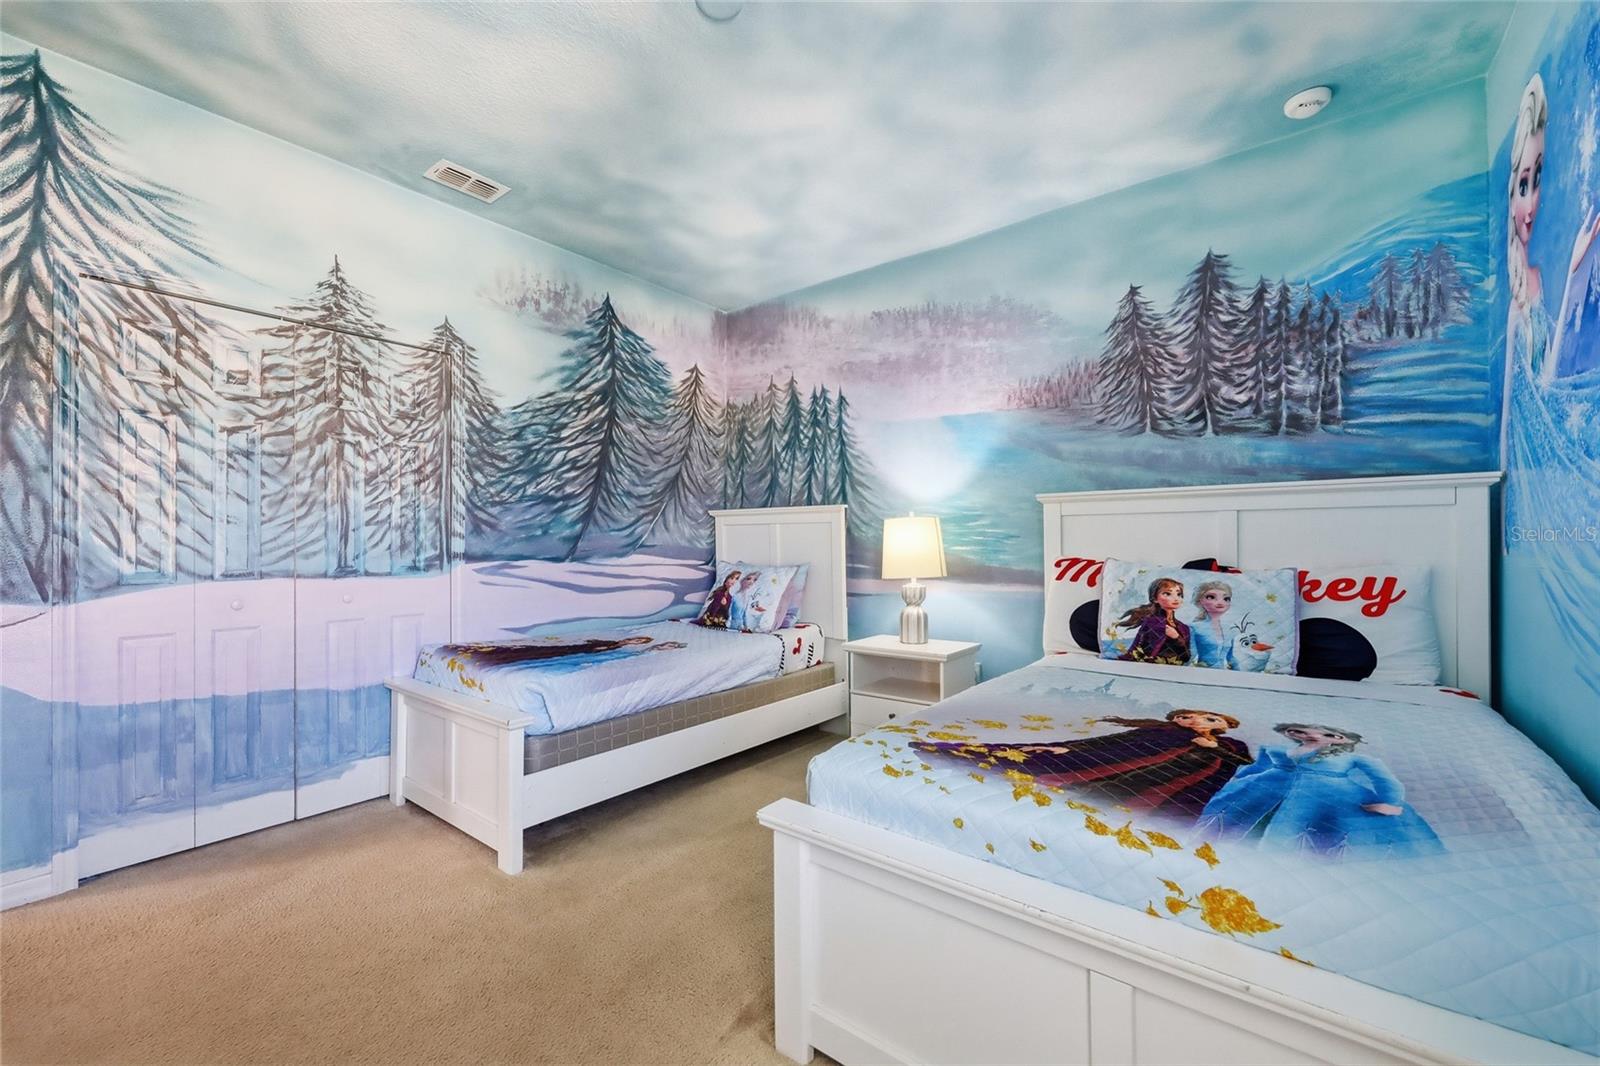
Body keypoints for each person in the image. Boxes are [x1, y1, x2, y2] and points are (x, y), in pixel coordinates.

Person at [914, 708, 1251, 821]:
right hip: (1116, 765)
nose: (1194, 721)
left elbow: (1242, 765)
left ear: (1225, 723)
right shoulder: (1163, 732)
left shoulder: (1231, 745)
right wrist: (1065, 748)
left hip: (1172, 782)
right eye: (1185, 717)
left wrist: (1212, 748)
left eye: (1208, 718)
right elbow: (1113, 744)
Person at [1197, 722, 1442, 857]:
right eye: (1302, 731)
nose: (1312, 735)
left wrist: (1390, 802)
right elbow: (1257, 767)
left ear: (1342, 740)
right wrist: (1237, 781)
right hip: (1268, 787)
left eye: (1328, 734)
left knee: (1315, 826)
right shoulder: (1277, 749)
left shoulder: (1350, 758)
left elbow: (1383, 778)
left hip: (1328, 793)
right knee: (1248, 818)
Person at [1114, 577, 1190, 665]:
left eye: (1179, 594)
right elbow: (1140, 651)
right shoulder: (1151, 622)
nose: (1176, 598)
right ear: (1155, 599)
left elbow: (1186, 657)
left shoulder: (1184, 628)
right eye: (1167, 594)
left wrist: (1176, 637)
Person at [1189, 580, 1236, 669]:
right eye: (1211, 597)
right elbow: (1190, 655)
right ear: (1200, 601)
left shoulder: (1229, 629)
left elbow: (1231, 658)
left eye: (1226, 599)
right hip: (1202, 671)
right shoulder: (1194, 627)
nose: (1220, 602)